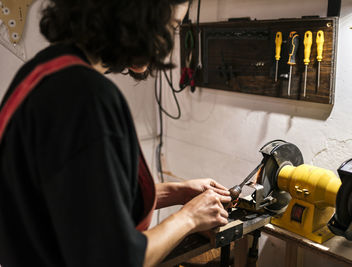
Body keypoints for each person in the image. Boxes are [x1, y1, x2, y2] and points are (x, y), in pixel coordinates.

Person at [0, 0, 231, 267]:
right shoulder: (86, 99)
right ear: (141, 15)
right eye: (173, 26)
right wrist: (189, 218)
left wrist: (176, 192)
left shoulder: (42, 73)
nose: (167, 45)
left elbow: (80, 199)